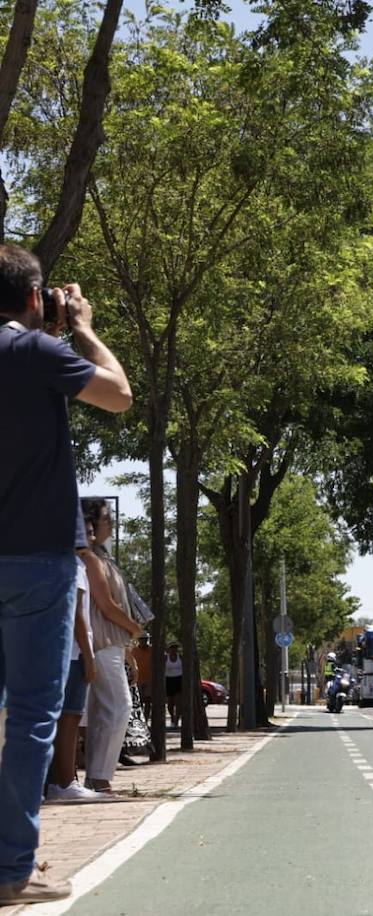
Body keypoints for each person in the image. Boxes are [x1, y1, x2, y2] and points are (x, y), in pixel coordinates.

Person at [0, 246, 131, 904]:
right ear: (33, 297)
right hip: (36, 560)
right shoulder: (36, 355)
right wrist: (81, 326)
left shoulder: (27, 351)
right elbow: (118, 395)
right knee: (29, 716)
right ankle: (10, 869)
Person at [79, 498, 142, 796]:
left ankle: (98, 776)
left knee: (106, 709)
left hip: (111, 642)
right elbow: (106, 604)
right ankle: (99, 777)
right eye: (106, 517)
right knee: (117, 707)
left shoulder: (103, 557)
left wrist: (129, 649)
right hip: (102, 641)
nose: (110, 522)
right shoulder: (90, 557)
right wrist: (133, 627)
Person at [44, 556, 101, 802]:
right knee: (71, 716)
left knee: (61, 718)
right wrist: (89, 656)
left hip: (57, 649)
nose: (89, 533)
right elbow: (77, 614)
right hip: (73, 653)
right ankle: (65, 782)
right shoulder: (75, 565)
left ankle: (55, 781)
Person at [165, 643, 183, 727]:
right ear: (169, 649)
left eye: (175, 648)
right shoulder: (166, 658)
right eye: (171, 648)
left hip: (178, 680)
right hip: (168, 680)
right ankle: (172, 716)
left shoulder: (181, 657)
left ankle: (176, 721)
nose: (173, 650)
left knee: (178, 702)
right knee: (170, 703)